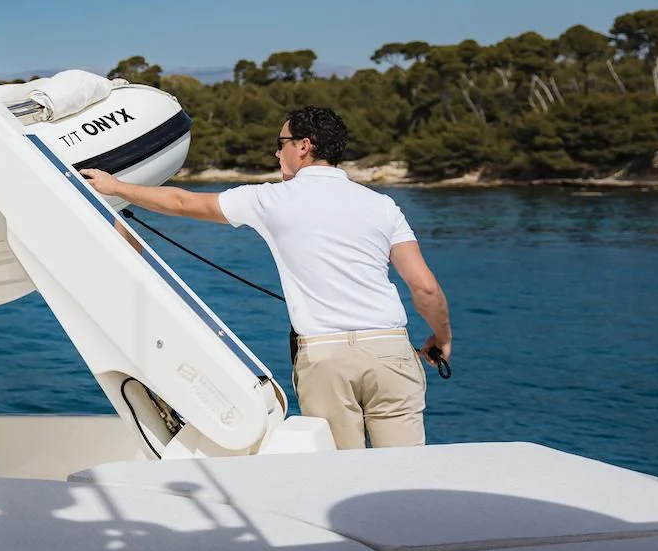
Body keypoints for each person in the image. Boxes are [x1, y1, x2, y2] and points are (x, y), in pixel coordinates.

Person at [80, 105, 451, 450]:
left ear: (304, 146)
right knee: (405, 470)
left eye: (281, 144)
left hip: (325, 358)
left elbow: (182, 202)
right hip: (390, 350)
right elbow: (424, 286)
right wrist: (441, 338)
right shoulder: (382, 205)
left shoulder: (271, 200)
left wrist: (116, 188)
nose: (276, 154)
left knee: (342, 476)